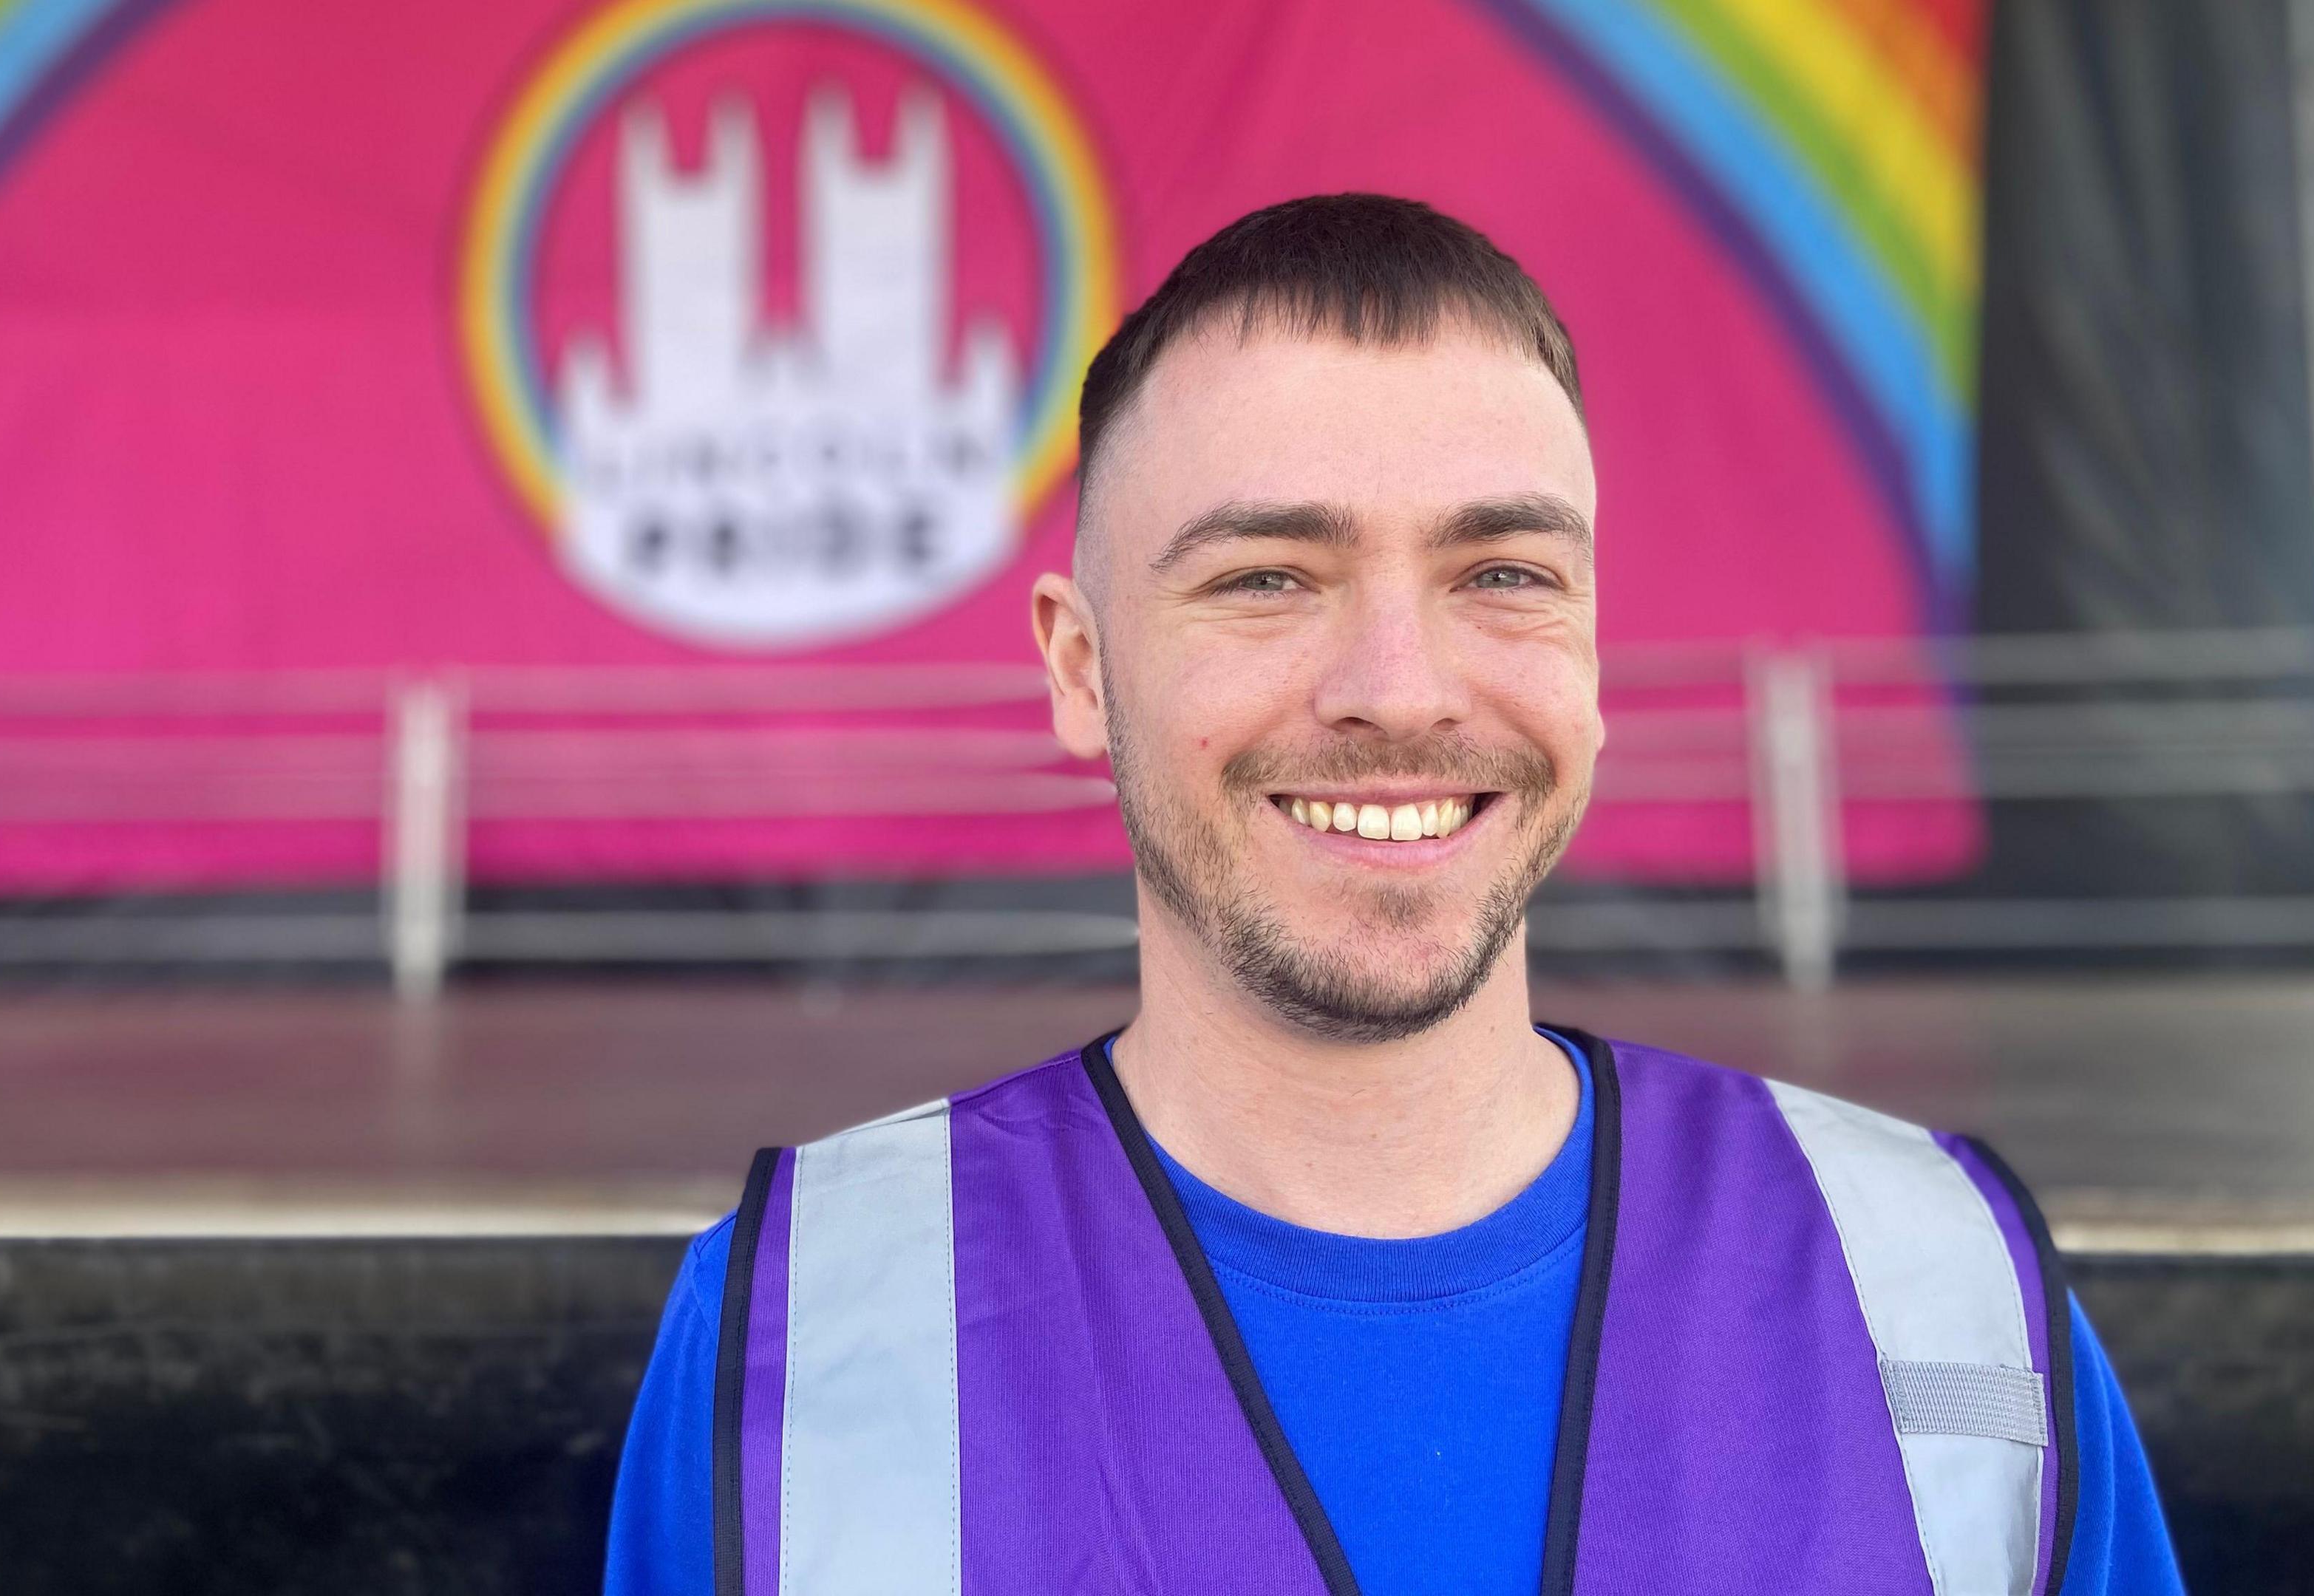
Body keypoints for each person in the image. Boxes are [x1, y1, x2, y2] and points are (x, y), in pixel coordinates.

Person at [605, 194, 2182, 1595]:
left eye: (1504, 574)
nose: (1402, 690)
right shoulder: (799, 1323)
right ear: (1082, 670)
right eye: (1268, 578)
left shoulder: (1944, 1287)